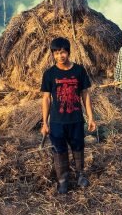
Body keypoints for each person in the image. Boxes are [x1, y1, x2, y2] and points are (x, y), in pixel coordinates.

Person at [40, 37, 96, 194]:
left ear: (68, 52)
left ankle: (80, 175)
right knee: (59, 149)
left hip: (76, 119)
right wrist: (45, 122)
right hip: (57, 121)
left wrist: (90, 117)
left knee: (78, 147)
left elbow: (85, 94)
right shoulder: (49, 74)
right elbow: (46, 98)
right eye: (56, 53)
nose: (60, 56)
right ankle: (63, 180)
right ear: (53, 54)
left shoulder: (79, 70)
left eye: (63, 52)